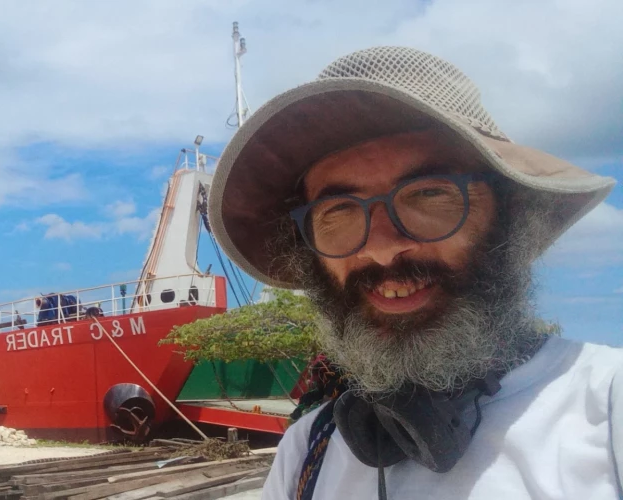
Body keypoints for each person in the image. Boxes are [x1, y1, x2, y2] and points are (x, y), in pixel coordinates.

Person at [208, 46, 621, 499]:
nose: (383, 249)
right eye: (340, 211)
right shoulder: (309, 449)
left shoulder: (607, 405)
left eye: (428, 195)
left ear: (511, 215)